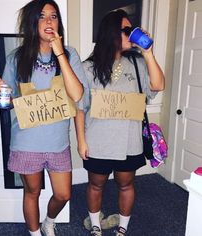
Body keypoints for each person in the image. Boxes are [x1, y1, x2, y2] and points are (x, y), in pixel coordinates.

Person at [0, 1, 85, 236]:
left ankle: (49, 222)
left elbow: (77, 94)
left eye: (54, 16)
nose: (49, 21)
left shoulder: (70, 54)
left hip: (57, 142)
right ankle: (34, 233)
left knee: (64, 194)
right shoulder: (17, 57)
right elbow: (9, 101)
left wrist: (59, 51)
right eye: (42, 16)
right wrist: (0, 91)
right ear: (32, 22)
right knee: (31, 192)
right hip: (27, 141)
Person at [74, 9, 165, 236]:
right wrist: (81, 141)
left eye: (131, 30)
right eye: (126, 30)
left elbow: (158, 85)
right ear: (111, 33)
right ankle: (96, 225)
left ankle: (122, 228)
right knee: (96, 185)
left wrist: (148, 53)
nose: (131, 34)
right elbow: (80, 108)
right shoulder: (88, 68)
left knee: (126, 184)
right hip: (98, 141)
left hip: (129, 142)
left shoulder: (137, 64)